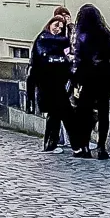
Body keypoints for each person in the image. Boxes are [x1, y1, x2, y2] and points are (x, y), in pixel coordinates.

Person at [67, 5, 110, 158]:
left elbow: (77, 60)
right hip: (105, 78)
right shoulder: (105, 34)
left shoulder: (81, 35)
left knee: (85, 113)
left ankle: (84, 147)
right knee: (103, 113)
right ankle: (101, 147)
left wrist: (73, 77)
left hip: (87, 78)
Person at [26, 8, 73, 153]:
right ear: (49, 24)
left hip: (58, 85)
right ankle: (72, 145)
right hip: (47, 85)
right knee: (62, 114)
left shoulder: (58, 43)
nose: (58, 29)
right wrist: (70, 29)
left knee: (59, 115)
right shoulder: (44, 38)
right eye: (56, 25)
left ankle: (57, 145)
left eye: (61, 27)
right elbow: (62, 45)